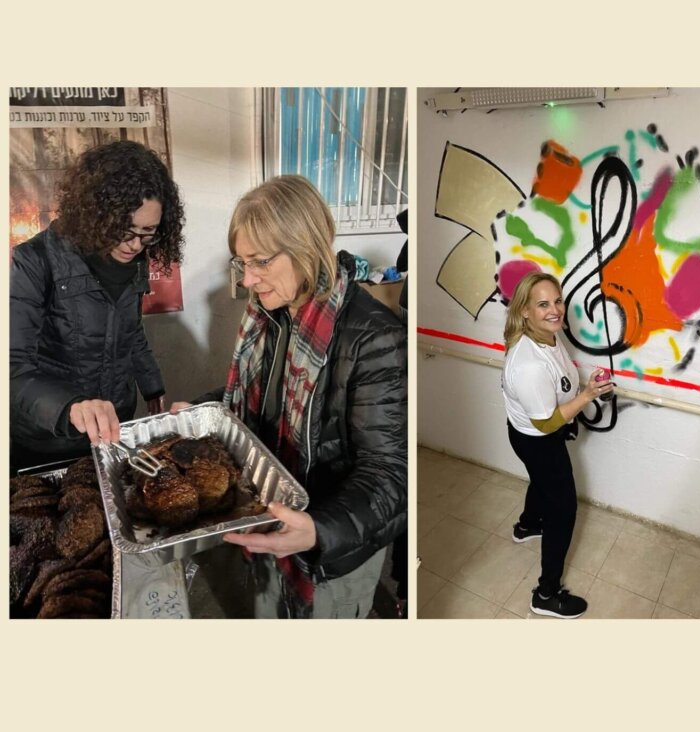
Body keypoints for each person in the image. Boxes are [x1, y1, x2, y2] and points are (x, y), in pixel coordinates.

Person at [173, 175, 406, 619]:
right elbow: (263, 402)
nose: (247, 280)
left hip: (331, 550)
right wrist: (207, 409)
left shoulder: (374, 338)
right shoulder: (272, 315)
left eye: (259, 262)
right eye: (240, 263)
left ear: (304, 245)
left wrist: (319, 528)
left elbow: (391, 475)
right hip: (270, 521)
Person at [10, 140, 182, 471]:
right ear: (94, 213)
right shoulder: (34, 260)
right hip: (49, 439)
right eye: (125, 231)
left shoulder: (135, 258)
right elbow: (12, 367)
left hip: (116, 428)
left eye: (148, 233)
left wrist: (152, 386)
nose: (135, 245)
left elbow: (130, 331)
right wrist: (69, 407)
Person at [502, 272, 614, 619]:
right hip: (539, 440)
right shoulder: (529, 364)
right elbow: (547, 421)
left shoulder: (548, 337)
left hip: (533, 437)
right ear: (525, 312)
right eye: (543, 304)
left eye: (558, 301)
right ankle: (546, 594)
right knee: (563, 510)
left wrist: (583, 387)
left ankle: (526, 525)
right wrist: (586, 396)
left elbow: (559, 382)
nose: (555, 310)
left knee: (541, 481)